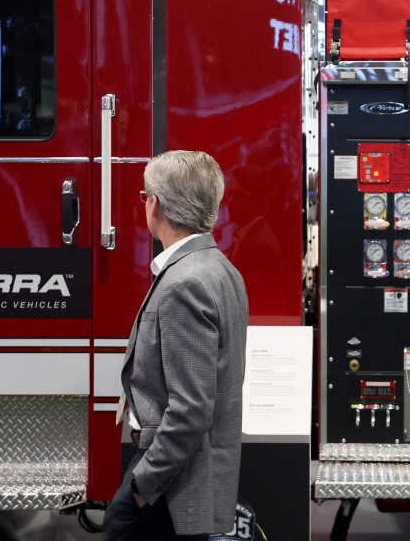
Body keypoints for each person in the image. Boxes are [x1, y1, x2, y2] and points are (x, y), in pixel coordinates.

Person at [103, 150, 249, 541]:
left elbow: (190, 411)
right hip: (186, 479)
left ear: (156, 205)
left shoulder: (185, 282)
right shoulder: (222, 269)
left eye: (145, 196)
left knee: (117, 527)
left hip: (170, 486)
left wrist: (141, 486)